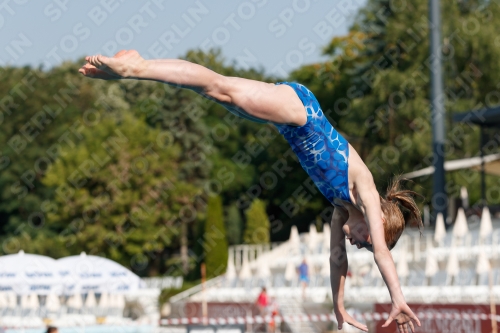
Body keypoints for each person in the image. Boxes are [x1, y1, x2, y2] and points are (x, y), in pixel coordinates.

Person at [79, 50, 423, 333]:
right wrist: (398, 298)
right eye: (366, 239)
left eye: (361, 244)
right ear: (377, 218)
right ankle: (135, 68)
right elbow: (382, 252)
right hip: (302, 113)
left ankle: (137, 65)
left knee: (215, 91)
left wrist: (339, 308)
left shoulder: (340, 207)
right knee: (218, 86)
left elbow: (337, 262)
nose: (359, 242)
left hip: (292, 123)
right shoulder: (362, 187)